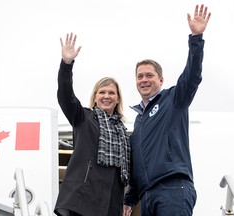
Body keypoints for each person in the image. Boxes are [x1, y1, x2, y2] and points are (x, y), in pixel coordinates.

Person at [123, 4, 211, 216]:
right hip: (147, 197)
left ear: (161, 79)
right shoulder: (138, 121)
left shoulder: (174, 99)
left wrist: (196, 39)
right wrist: (130, 198)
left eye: (149, 75)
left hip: (173, 188)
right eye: (140, 76)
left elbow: (192, 77)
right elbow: (138, 163)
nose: (144, 80)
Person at [54, 32, 131, 216]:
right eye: (102, 92)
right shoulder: (84, 118)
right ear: (95, 97)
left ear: (117, 98)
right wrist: (66, 65)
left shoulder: (122, 132)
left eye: (111, 93)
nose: (106, 96)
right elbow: (65, 95)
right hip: (83, 200)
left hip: (111, 203)